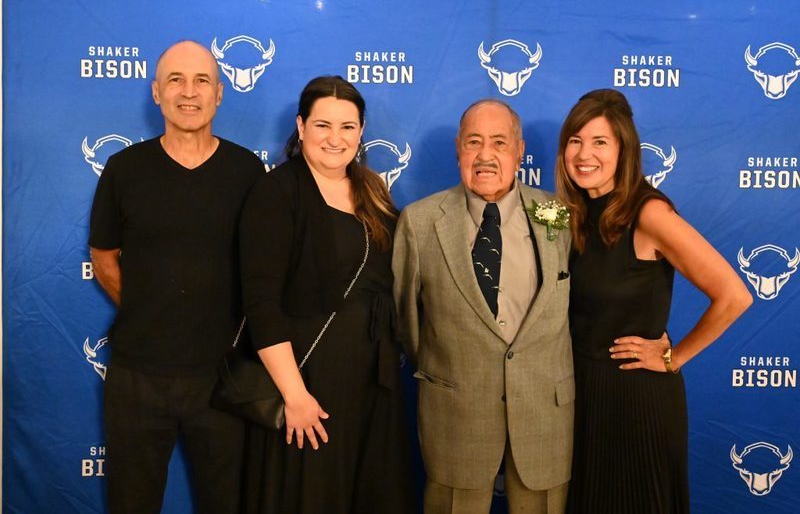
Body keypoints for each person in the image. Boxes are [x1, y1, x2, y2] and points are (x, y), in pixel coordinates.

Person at [88, 40, 265, 513]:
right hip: (138, 377)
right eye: (176, 80)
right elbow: (103, 257)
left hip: (225, 378)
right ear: (156, 92)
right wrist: (149, 308)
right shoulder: (124, 169)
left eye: (202, 80)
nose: (189, 92)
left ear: (219, 93)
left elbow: (265, 269)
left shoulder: (248, 171)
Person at [556, 89, 752, 513]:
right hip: (583, 394)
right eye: (575, 141)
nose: (584, 154)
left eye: (599, 142)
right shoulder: (574, 212)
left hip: (636, 399)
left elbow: (734, 295)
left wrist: (673, 357)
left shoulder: (649, 214)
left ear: (624, 150)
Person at [239, 75, 414, 514]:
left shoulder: (373, 190)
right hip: (308, 379)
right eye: (322, 125)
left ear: (361, 131)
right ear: (301, 127)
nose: (335, 138)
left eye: (347, 127)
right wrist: (295, 396)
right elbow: (261, 303)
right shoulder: (277, 192)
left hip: (371, 379)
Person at [393, 99, 574, 514]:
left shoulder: (556, 215)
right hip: (456, 419)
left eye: (499, 142)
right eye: (474, 142)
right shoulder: (419, 222)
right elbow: (407, 325)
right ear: (458, 149)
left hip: (544, 420)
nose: (485, 155)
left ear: (519, 151)